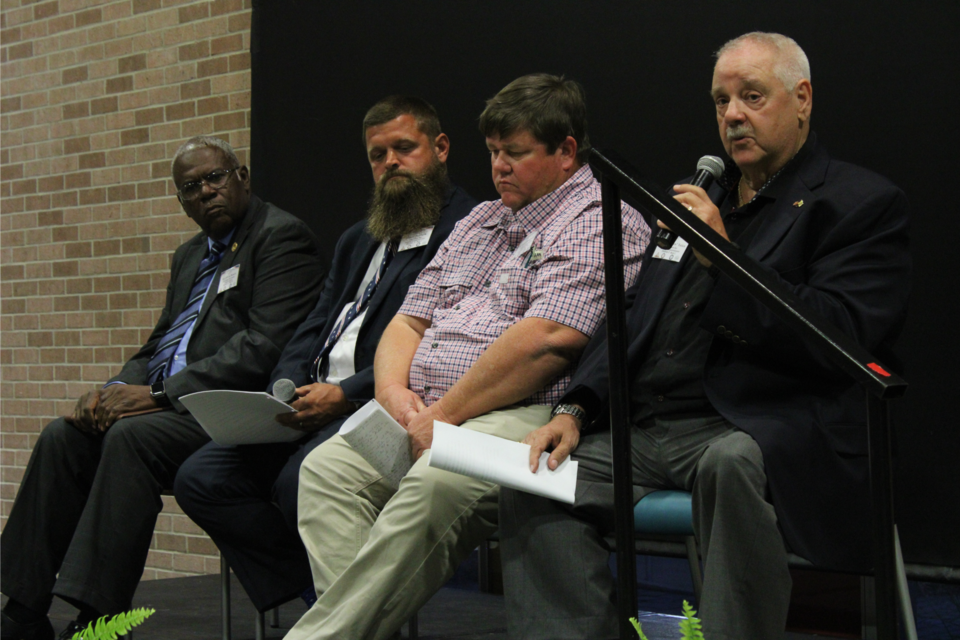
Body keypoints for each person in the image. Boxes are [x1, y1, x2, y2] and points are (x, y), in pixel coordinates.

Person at [499, 32, 911, 640]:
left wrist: (722, 256)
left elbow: (839, 339)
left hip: (760, 425)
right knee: (534, 480)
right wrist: (578, 407)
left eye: (752, 96)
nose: (734, 115)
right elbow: (629, 315)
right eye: (721, 101)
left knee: (730, 465)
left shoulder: (859, 204)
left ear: (802, 99)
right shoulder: (701, 197)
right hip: (648, 427)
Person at [283, 74, 651, 640]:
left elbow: (548, 341)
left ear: (566, 152)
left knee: (434, 482)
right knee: (328, 472)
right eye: (493, 152)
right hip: (428, 412)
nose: (499, 166)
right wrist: (393, 397)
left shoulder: (600, 220)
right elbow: (408, 319)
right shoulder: (481, 220)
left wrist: (443, 415)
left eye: (516, 153)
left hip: (525, 413)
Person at [0, 136, 325, 640]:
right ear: (181, 202)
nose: (206, 192)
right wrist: (112, 389)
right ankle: (21, 611)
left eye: (215, 178)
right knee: (63, 437)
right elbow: (158, 343)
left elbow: (264, 346)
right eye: (191, 187)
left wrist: (155, 396)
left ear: (241, 178)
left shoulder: (281, 237)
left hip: (236, 412)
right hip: (173, 409)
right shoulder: (190, 255)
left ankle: (99, 621)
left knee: (130, 440)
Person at [173, 96, 478, 614]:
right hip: (311, 406)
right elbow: (312, 327)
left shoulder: (469, 230)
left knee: (300, 480)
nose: (391, 164)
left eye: (404, 148)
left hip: (389, 407)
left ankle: (346, 612)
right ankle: (323, 600)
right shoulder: (358, 238)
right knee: (202, 479)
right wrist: (284, 390)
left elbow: (446, 342)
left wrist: (346, 394)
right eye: (378, 155)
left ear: (440, 148)